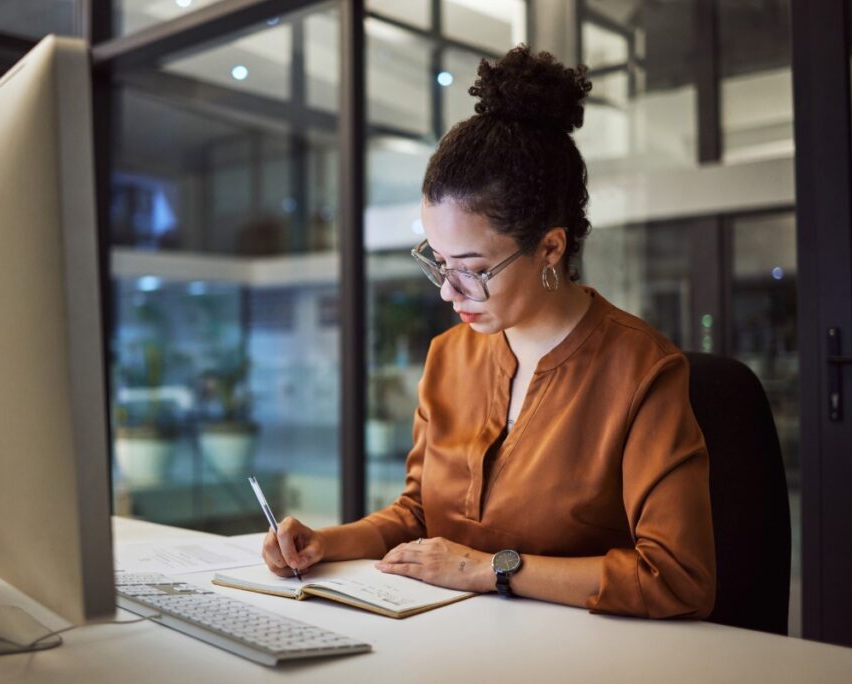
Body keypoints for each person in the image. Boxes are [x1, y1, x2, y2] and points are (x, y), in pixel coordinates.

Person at [262, 45, 716, 619]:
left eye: (473, 270)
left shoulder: (641, 371)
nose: (449, 292)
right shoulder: (449, 357)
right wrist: (328, 543)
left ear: (550, 247)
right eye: (438, 263)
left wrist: (489, 568)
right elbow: (419, 517)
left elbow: (678, 578)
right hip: (451, 642)